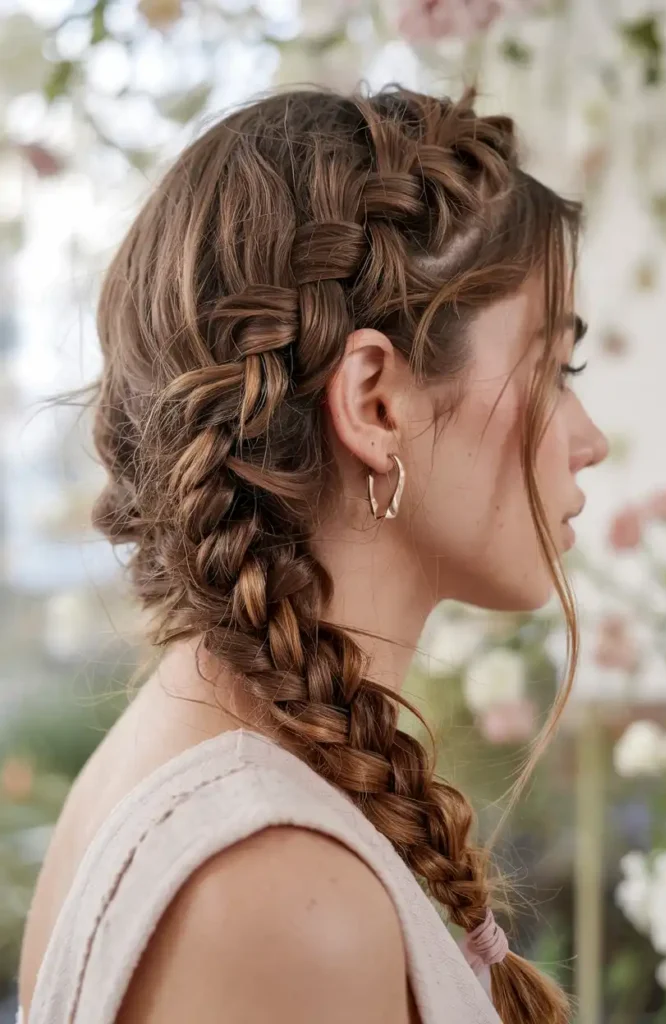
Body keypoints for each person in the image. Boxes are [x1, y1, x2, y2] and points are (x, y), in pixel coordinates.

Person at [17, 84, 608, 1024]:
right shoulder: (278, 897)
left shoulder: (200, 757)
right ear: (377, 401)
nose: (588, 439)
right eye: (555, 369)